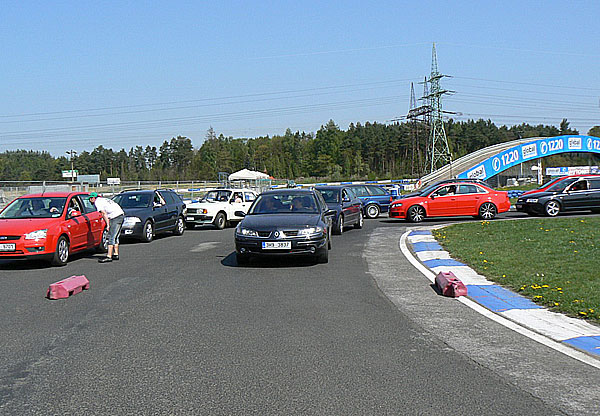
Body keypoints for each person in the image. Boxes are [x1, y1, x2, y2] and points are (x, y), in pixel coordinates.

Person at [89, 192, 125, 263]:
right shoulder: (103, 199)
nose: (90, 200)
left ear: (93, 198)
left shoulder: (97, 202)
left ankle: (109, 256)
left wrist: (108, 225)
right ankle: (116, 254)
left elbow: (103, 213)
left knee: (111, 237)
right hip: (121, 215)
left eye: (90, 198)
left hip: (115, 217)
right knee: (116, 236)